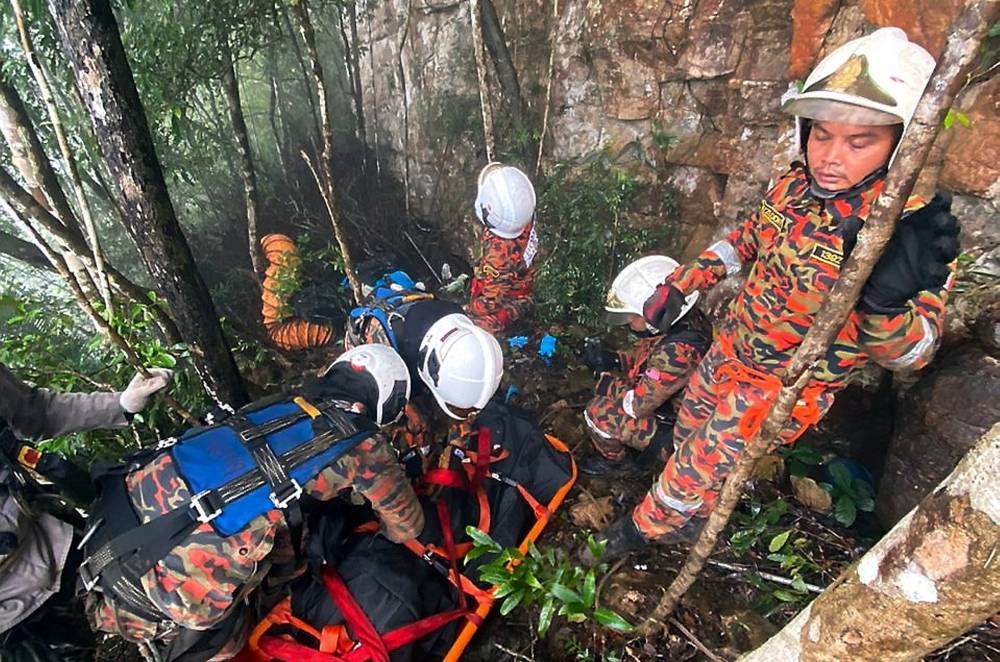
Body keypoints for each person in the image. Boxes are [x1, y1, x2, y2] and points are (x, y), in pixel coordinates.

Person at [587, 28, 960, 562]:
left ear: (900, 144)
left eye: (860, 142)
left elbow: (913, 355)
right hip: (731, 347)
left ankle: (644, 531)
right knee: (689, 431)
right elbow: (745, 241)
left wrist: (883, 307)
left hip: (781, 386)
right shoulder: (794, 185)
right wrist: (685, 282)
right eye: (821, 135)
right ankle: (684, 500)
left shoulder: (914, 235)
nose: (831, 157)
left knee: (703, 463)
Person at [85, 344, 424, 660]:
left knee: (276, 512)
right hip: (156, 601)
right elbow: (407, 526)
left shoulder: (277, 405)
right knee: (234, 642)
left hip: (102, 544)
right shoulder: (362, 443)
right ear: (379, 406)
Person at [0, 364, 172, 635]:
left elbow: (34, 411)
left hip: (61, 540)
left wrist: (121, 403)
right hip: (15, 615)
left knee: (159, 612)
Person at [579, 256, 711, 477]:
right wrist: (615, 359)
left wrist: (607, 383)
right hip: (685, 411)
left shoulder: (676, 352)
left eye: (633, 317)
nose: (630, 323)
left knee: (598, 411)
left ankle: (618, 465)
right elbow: (651, 351)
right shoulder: (686, 321)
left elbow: (637, 406)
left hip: (685, 438)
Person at [465, 162, 540, 334]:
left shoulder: (498, 252)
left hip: (512, 301)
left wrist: (467, 310)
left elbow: (491, 303)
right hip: (521, 287)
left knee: (467, 328)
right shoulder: (525, 217)